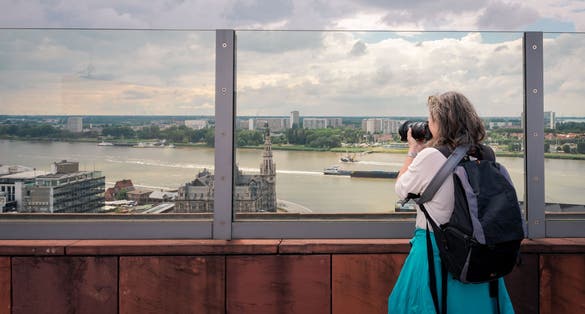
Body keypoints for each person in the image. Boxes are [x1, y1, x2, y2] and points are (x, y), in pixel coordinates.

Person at [388, 91, 515, 313]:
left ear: (440, 122)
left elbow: (401, 188)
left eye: (430, 120)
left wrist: (413, 151)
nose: (427, 124)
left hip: (437, 251)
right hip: (479, 254)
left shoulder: (432, 156)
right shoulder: (485, 154)